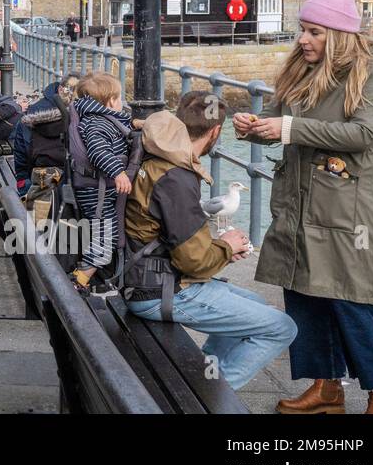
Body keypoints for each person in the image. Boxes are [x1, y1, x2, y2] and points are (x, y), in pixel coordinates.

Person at [233, 0, 373, 414]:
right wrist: (255, 125)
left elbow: (363, 133)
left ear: (339, 34)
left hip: (347, 206)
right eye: (302, 30)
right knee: (302, 291)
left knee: (351, 295)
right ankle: (325, 388)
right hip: (297, 199)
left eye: (314, 32)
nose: (303, 39)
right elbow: (277, 122)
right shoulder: (301, 69)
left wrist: (288, 129)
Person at [124, 91, 296, 391]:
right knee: (281, 328)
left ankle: (203, 374)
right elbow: (194, 262)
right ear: (215, 131)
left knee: (254, 303)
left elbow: (178, 241)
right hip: (158, 291)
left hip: (144, 277)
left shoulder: (158, 157)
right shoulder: (176, 176)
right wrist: (227, 246)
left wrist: (224, 248)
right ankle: (210, 397)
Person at [66, 72, 138, 289]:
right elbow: (99, 151)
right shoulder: (98, 124)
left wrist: (137, 122)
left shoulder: (95, 117)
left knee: (104, 232)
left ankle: (84, 274)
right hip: (97, 192)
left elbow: (121, 124)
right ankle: (80, 279)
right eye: (119, 98)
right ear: (109, 101)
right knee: (106, 237)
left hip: (96, 190)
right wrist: (118, 172)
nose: (122, 102)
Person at [11, 72, 79, 186]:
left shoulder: (31, 114)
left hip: (35, 180)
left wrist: (23, 182)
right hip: (70, 183)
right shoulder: (80, 119)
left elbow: (21, 157)